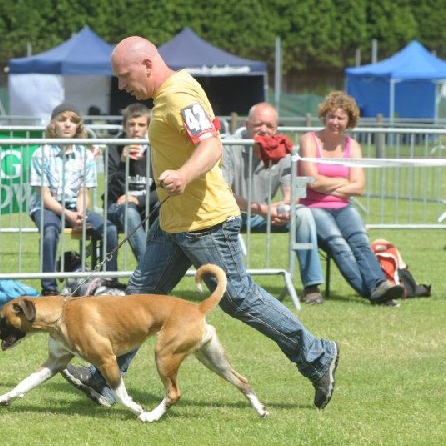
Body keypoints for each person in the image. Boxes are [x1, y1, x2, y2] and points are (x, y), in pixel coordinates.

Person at [61, 36, 339, 411]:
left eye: (125, 76)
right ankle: (104, 381)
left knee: (240, 299)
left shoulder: (178, 95)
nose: (122, 86)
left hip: (205, 221)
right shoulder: (167, 95)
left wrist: (184, 173)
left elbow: (211, 146)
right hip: (175, 221)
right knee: (138, 301)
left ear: (147, 64)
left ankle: (318, 356)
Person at [298, 90, 404, 306]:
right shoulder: (309, 140)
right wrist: (342, 185)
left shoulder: (353, 146)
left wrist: (326, 185)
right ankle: (373, 293)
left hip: (343, 206)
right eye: (331, 116)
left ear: (349, 121)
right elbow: (311, 181)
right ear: (324, 117)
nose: (334, 122)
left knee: (360, 241)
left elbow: (359, 187)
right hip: (312, 206)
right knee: (338, 244)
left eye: (340, 117)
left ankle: (378, 286)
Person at [222, 102, 326, 304]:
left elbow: (295, 189)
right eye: (258, 124)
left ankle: (312, 287)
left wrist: (286, 206)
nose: (264, 130)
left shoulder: (284, 147)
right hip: (231, 213)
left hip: (267, 213)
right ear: (247, 124)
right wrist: (261, 210)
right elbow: (223, 193)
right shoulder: (229, 145)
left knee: (303, 214)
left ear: (276, 128)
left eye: (269, 126)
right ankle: (232, 287)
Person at [29, 102, 119, 296]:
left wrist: (79, 213)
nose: (68, 124)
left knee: (109, 229)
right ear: (53, 125)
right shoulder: (40, 153)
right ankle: (49, 290)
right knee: (50, 231)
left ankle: (109, 281)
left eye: (73, 121)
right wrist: (68, 215)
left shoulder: (86, 155)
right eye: (62, 120)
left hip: (74, 206)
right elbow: (44, 197)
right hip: (47, 207)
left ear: (79, 126)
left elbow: (83, 194)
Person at [105, 102, 158, 262]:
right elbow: (110, 190)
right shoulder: (113, 147)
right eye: (131, 124)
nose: (136, 129)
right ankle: (147, 269)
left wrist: (138, 200)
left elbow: (162, 190)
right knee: (128, 210)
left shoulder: (156, 148)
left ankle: (160, 269)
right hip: (117, 207)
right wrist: (122, 164)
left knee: (167, 210)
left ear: (148, 128)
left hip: (146, 206)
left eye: (141, 125)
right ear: (124, 126)